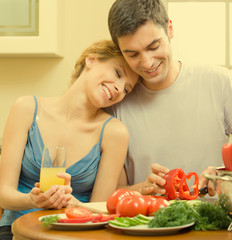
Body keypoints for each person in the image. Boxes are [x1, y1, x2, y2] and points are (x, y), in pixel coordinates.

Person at [0, 39, 139, 239]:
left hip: (74, 234)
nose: (119, 88)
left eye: (126, 89)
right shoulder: (26, 108)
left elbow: (98, 211)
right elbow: (4, 196)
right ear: (91, 60)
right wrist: (33, 200)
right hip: (16, 230)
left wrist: (74, 204)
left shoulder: (115, 133)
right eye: (117, 73)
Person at [107, 0, 232, 196]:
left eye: (153, 46)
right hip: (148, 222)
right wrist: (142, 189)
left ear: (170, 29)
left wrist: (223, 173)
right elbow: (111, 192)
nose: (147, 62)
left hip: (214, 221)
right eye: (133, 54)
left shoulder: (219, 82)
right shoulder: (117, 103)